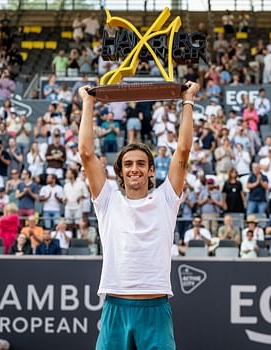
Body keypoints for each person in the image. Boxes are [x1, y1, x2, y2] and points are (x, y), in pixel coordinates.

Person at [78, 81, 199, 350]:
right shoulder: (107, 200)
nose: (135, 169)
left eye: (141, 164)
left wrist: (187, 100)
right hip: (115, 307)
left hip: (155, 309)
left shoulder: (167, 198)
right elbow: (86, 154)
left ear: (151, 170)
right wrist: (88, 103)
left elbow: (182, 153)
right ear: (119, 172)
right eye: (129, 164)